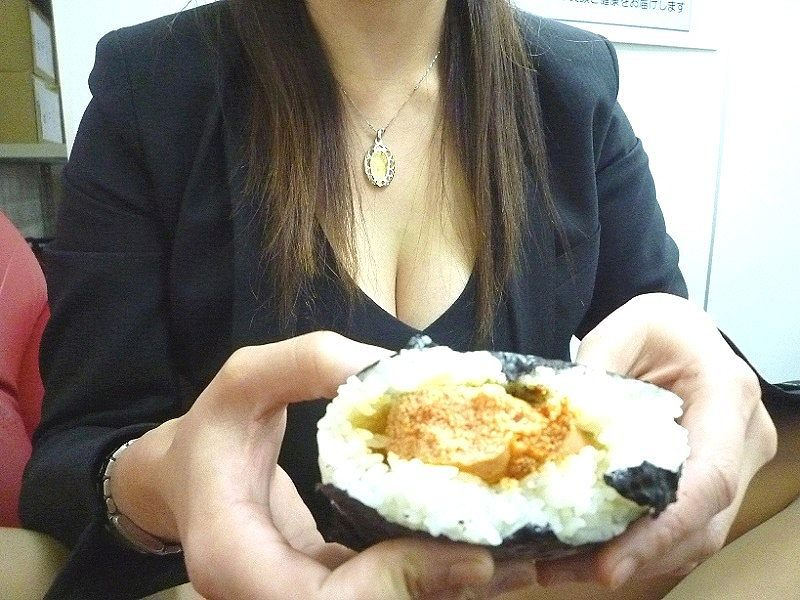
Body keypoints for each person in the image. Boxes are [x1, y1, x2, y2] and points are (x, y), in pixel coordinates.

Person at [18, 1, 783, 599]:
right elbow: (70, 458)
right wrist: (165, 481)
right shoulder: (151, 84)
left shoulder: (572, 83)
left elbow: (669, 352)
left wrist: (707, 376)